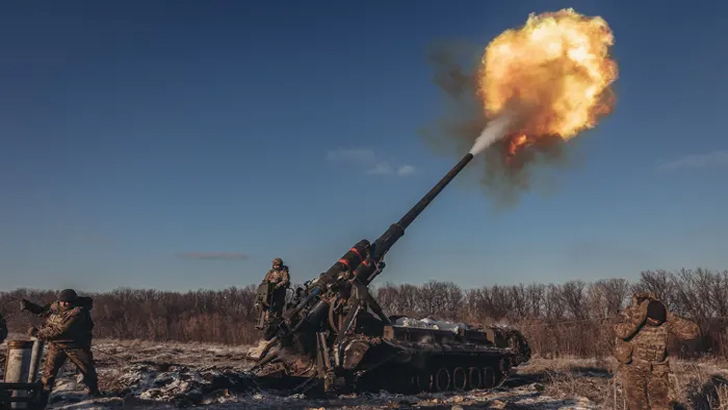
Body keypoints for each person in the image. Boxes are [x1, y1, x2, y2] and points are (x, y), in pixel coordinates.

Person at [613, 292, 699, 409]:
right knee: (637, 406)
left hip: (658, 369)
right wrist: (638, 318)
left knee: (662, 406)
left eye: (658, 321)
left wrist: (670, 317)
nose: (655, 323)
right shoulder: (630, 314)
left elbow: (692, 332)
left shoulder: (665, 319)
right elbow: (621, 332)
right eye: (652, 320)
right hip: (633, 368)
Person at [21, 289, 101, 405]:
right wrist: (29, 306)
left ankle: (94, 393)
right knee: (49, 372)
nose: (65, 304)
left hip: (76, 346)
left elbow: (61, 330)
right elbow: (43, 311)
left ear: (73, 301)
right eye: (63, 301)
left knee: (87, 369)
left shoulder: (78, 312)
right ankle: (42, 398)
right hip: (57, 345)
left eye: (68, 302)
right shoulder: (56, 305)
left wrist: (37, 333)